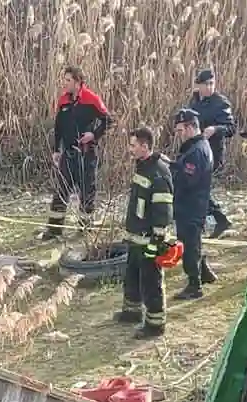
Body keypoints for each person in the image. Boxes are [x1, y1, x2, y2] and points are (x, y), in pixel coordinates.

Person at [115, 126, 176, 339]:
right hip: (135, 237)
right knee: (132, 276)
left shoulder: (158, 172)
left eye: (133, 145)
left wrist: (156, 242)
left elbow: (163, 210)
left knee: (151, 282)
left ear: (144, 146)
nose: (130, 149)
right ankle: (131, 311)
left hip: (150, 239)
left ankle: (155, 324)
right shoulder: (143, 167)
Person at [39, 66, 112, 241]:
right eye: (64, 80)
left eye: (68, 80)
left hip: (86, 155)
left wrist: (94, 135)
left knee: (87, 194)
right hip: (68, 154)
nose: (64, 83)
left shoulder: (91, 99)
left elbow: (108, 120)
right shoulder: (63, 100)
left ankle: (84, 231)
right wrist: (57, 150)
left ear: (78, 82)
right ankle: (54, 231)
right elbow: (59, 127)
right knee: (60, 192)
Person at [169, 108, 217, 300]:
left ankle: (194, 285)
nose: (179, 135)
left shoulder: (197, 151)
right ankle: (202, 271)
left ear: (190, 127)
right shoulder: (197, 147)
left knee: (189, 246)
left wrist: (170, 174)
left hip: (191, 206)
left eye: (180, 130)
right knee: (192, 243)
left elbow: (187, 179)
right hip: (192, 204)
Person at [187, 68, 237, 239]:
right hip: (195, 150)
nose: (209, 87)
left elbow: (231, 128)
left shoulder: (221, 103)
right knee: (195, 189)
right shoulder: (194, 101)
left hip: (213, 153)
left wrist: (215, 129)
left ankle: (217, 219)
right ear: (198, 85)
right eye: (205, 84)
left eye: (211, 84)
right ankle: (214, 220)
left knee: (201, 190)